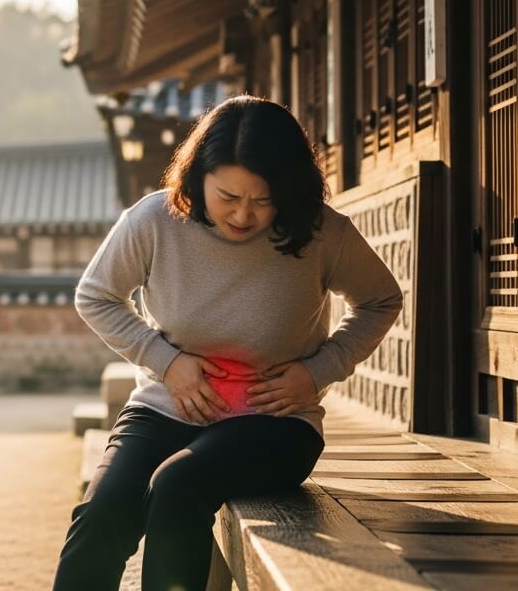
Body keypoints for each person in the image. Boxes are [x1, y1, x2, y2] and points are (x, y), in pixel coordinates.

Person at [52, 95, 403, 591]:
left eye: (262, 200)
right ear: (197, 179)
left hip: (274, 423)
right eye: (227, 197)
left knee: (176, 486)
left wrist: (318, 371)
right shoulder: (154, 221)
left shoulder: (323, 232)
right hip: (165, 409)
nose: (243, 214)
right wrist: (166, 362)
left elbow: (381, 300)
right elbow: (96, 296)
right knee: (102, 514)